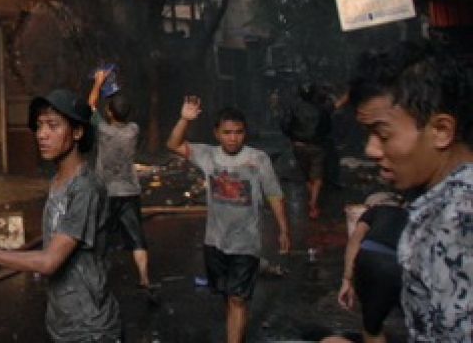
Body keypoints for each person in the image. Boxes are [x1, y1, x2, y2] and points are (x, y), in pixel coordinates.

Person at [348, 42, 473, 342]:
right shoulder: (442, 203)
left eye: (383, 134)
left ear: (441, 130)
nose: (371, 150)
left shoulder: (457, 221)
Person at [0, 89, 121, 343]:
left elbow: (49, 262)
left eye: (53, 126)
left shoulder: (85, 188)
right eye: (40, 126)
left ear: (77, 132)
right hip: (62, 324)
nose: (42, 134)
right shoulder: (58, 181)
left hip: (90, 330)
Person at [167, 97, 290, 343]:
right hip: (215, 242)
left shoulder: (257, 159)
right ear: (217, 134)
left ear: (245, 133)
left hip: (246, 244)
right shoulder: (207, 155)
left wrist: (283, 229)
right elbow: (174, 144)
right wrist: (185, 119)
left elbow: (274, 194)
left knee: (238, 298)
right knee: (228, 296)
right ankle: (236, 332)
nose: (233, 138)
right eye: (227, 133)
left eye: (238, 132)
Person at [87, 65, 156, 300]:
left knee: (101, 237)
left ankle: (98, 282)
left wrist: (98, 83)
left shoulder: (103, 130)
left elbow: (90, 106)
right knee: (137, 238)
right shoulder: (133, 131)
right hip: (129, 191)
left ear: (109, 113)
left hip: (105, 192)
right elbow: (117, 111)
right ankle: (145, 279)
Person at [334, 192, 407, 343]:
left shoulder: (374, 211)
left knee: (372, 327)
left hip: (373, 260)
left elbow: (355, 241)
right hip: (403, 264)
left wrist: (347, 279)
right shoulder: (415, 214)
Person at [281, 82, 331, 219]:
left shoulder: (294, 108)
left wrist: (292, 137)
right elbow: (328, 127)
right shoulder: (322, 109)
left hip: (299, 146)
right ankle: (314, 203)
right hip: (317, 146)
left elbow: (285, 124)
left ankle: (312, 200)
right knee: (318, 176)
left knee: (307, 176)